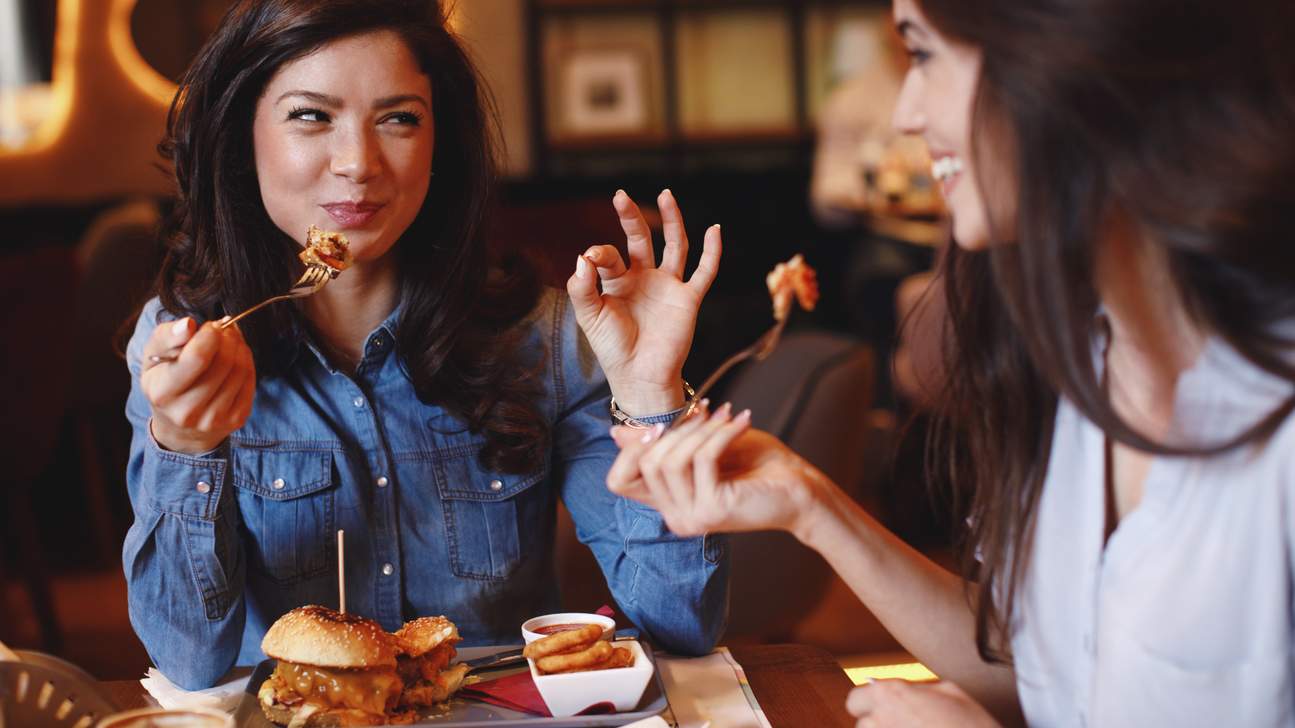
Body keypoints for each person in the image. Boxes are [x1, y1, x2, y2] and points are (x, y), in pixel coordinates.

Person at [607, 0, 1295, 725]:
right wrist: (811, 505)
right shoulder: (1085, 360)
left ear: (1064, 58)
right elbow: (1043, 674)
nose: (906, 113)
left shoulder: (1272, 413)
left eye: (923, 55)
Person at [122, 0, 726, 689]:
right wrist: (183, 444)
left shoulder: (545, 337)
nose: (357, 163)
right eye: (311, 115)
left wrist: (649, 396)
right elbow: (186, 660)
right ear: (242, 136)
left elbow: (681, 625)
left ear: (441, 146)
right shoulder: (185, 349)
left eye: (398, 119)